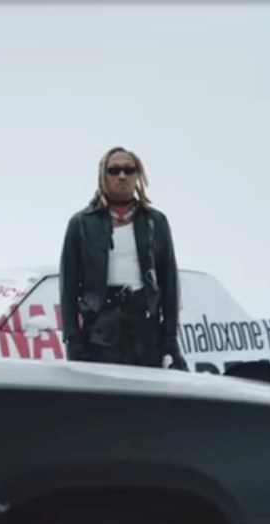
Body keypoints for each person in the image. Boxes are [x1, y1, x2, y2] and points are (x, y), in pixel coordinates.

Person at [59, 146, 187, 371]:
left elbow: (169, 284)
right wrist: (72, 339)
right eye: (114, 170)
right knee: (104, 392)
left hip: (144, 329)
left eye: (129, 170)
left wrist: (170, 338)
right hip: (99, 332)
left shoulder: (155, 221)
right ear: (103, 176)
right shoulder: (81, 223)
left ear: (138, 176)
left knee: (146, 391)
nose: (122, 176)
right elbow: (68, 286)